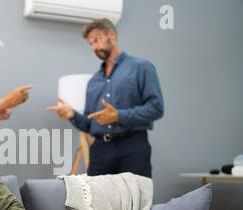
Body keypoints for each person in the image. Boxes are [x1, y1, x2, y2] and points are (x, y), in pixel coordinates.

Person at [47, 18, 164, 178]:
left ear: (112, 35)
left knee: (136, 201)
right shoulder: (93, 82)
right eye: (91, 43)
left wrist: (118, 116)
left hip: (133, 147)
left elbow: (156, 108)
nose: (94, 47)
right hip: (100, 151)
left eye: (97, 40)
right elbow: (90, 124)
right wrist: (72, 115)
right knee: (96, 201)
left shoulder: (141, 67)